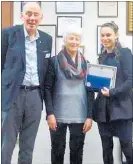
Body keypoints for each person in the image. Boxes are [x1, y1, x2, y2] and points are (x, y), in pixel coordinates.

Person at [1, 2, 52, 164]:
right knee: (6, 144)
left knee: (28, 145)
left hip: (35, 97)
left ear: (41, 17)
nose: (32, 18)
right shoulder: (8, 34)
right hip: (13, 96)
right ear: (22, 16)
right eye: (28, 14)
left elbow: (45, 69)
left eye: (35, 14)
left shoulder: (46, 39)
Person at [44, 26, 94, 164]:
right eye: (71, 38)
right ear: (65, 40)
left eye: (77, 39)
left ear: (80, 41)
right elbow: (47, 89)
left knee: (77, 153)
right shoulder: (54, 61)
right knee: (57, 151)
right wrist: (49, 113)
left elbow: (90, 92)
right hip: (57, 116)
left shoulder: (87, 64)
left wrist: (89, 116)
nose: (74, 41)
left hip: (80, 115)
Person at [93, 21, 133, 164]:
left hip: (122, 108)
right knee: (106, 150)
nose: (105, 38)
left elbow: (130, 80)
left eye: (108, 35)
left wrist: (112, 92)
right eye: (102, 35)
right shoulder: (101, 56)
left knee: (127, 149)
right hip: (104, 110)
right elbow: (101, 83)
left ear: (116, 35)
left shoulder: (125, 53)